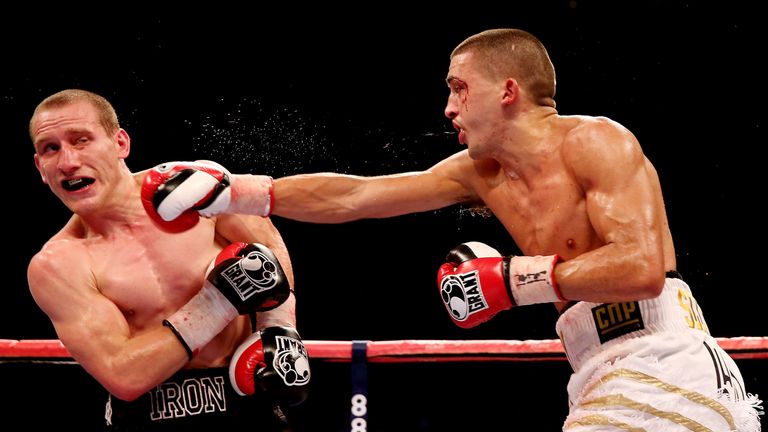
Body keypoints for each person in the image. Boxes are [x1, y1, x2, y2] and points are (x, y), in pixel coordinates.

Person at [145, 29, 763, 430]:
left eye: (460, 88)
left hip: (661, 359)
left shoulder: (594, 140)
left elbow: (643, 269)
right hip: (594, 367)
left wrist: (512, 282)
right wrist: (237, 191)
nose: (448, 108)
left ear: (509, 91)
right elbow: (359, 195)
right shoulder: (480, 172)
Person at [27, 89, 310, 431]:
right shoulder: (57, 265)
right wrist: (218, 302)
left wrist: (279, 329)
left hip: (249, 404)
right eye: (50, 148)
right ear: (40, 167)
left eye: (81, 140)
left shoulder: (193, 188)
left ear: (120, 144)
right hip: (149, 416)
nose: (68, 161)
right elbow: (124, 375)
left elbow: (267, 244)